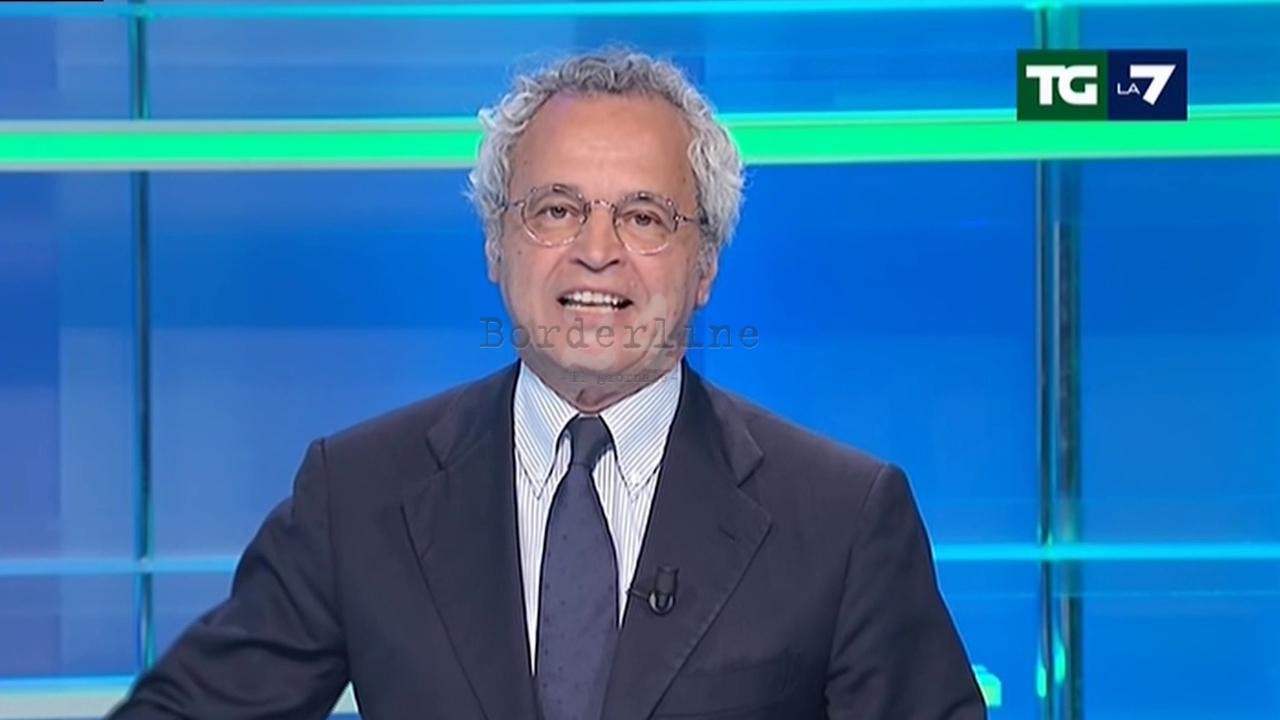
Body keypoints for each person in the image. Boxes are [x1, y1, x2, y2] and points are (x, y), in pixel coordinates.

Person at [107, 50, 986, 720]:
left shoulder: (841, 518)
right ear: (496, 245)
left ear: (706, 263)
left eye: (643, 216)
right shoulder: (359, 494)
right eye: (556, 210)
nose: (596, 251)